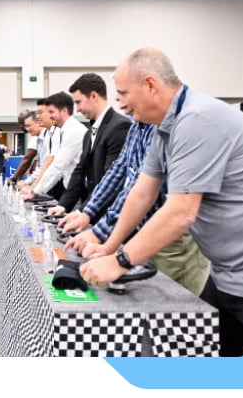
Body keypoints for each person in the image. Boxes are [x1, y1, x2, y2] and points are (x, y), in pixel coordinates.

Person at [79, 47, 243, 356]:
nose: (120, 102)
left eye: (124, 92)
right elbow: (142, 192)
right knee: (203, 356)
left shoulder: (197, 119)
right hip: (227, 273)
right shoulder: (165, 127)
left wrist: (120, 261)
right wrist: (109, 246)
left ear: (150, 84)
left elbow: (181, 213)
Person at [59, 98, 209, 296]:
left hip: (173, 238)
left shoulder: (167, 129)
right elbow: (119, 170)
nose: (119, 103)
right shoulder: (137, 127)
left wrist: (100, 234)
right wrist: (88, 214)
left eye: (124, 93)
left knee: (172, 305)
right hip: (146, 230)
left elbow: (139, 191)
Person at [46, 73, 132, 221]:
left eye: (79, 102)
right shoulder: (89, 133)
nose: (77, 109)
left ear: (93, 96)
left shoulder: (119, 126)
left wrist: (82, 212)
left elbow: (111, 179)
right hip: (93, 210)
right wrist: (62, 206)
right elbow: (79, 172)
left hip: (110, 213)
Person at [20, 91, 85, 201]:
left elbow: (56, 166)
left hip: (75, 190)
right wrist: (33, 188)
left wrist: (34, 191)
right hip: (68, 189)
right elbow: (47, 164)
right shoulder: (58, 132)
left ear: (64, 111)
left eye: (51, 112)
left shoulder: (73, 131)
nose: (37, 117)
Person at [8, 109, 39, 185]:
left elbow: (28, 158)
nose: (21, 126)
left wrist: (14, 178)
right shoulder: (36, 135)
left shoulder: (36, 135)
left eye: (22, 123)